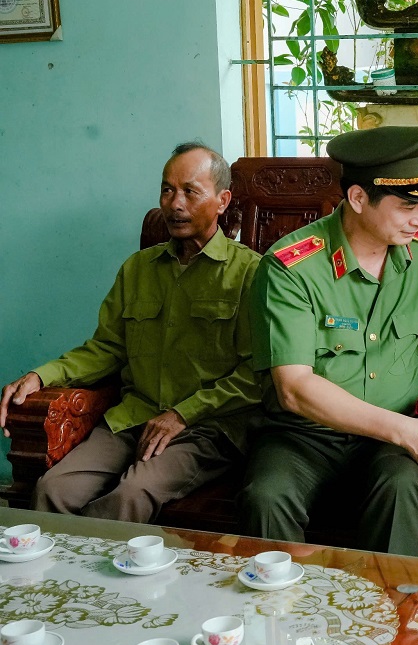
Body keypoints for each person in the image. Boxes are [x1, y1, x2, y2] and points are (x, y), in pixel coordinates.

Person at [238, 123, 418, 556]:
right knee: (266, 496)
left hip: (392, 440)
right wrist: (408, 432)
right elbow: (294, 388)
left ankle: (395, 599)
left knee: (400, 485)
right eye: (407, 206)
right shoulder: (291, 268)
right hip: (305, 436)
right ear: (358, 198)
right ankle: (284, 599)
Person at [0, 143, 262, 522]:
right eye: (167, 190)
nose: (175, 204)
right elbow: (105, 349)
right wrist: (42, 376)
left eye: (190, 191)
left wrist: (182, 414)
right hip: (132, 418)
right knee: (52, 491)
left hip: (206, 428)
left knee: (129, 495)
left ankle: (92, 564)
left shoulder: (251, 273)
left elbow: (257, 373)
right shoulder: (138, 269)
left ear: (223, 201)